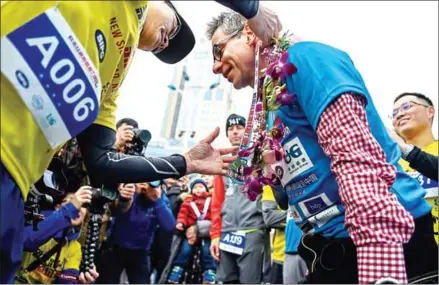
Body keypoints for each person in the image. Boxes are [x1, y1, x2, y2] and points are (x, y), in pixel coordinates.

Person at [206, 12, 438, 284]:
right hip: (332, 242)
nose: (215, 67)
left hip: (383, 235)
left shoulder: (305, 58)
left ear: (248, 33)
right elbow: (286, 196)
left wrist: (379, 263)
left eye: (217, 51)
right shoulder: (269, 105)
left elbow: (356, 158)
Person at [210, 114, 270, 284]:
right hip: (226, 234)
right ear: (227, 134)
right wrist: (215, 235)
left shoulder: (259, 158)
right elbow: (217, 202)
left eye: (239, 128)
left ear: (247, 130)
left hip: (252, 232)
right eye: (231, 129)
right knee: (225, 281)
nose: (235, 132)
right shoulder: (221, 162)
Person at [15, 187, 98, 284]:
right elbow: (26, 241)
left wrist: (80, 281)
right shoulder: (37, 221)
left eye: (83, 204)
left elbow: (66, 281)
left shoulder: (74, 247)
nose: (78, 206)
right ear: (58, 207)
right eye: (72, 200)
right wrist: (67, 213)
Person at [96, 181, 174, 284]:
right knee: (107, 280)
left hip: (140, 251)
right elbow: (120, 213)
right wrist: (128, 197)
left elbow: (169, 226)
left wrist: (157, 201)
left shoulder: (160, 198)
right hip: (116, 246)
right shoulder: (132, 191)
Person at [390, 92, 438, 243]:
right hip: (412, 254)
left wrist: (404, 148)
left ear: (430, 111)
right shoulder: (391, 164)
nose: (399, 115)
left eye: (406, 106)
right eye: (394, 113)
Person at [168, 178, 216, 284]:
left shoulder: (211, 200)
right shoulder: (188, 201)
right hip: (190, 233)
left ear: (206, 189)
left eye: (201, 187)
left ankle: (209, 272)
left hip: (206, 233)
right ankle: (177, 270)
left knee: (207, 251)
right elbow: (182, 214)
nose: (198, 189)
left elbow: (214, 215)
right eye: (195, 187)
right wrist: (181, 223)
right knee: (185, 250)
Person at [260, 186, 287, 284]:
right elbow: (270, 218)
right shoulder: (271, 184)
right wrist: (302, 212)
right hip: (282, 255)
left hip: (313, 253)